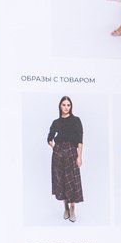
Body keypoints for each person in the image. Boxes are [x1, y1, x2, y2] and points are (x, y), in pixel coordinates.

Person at [46, 95, 84, 223]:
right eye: (64, 105)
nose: (66, 107)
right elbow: (49, 137)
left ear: (71, 106)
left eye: (68, 105)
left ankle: (72, 208)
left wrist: (80, 156)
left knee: (72, 181)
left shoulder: (76, 120)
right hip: (58, 153)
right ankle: (65, 208)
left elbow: (80, 139)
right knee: (61, 180)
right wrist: (54, 147)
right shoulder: (56, 122)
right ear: (60, 106)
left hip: (72, 152)